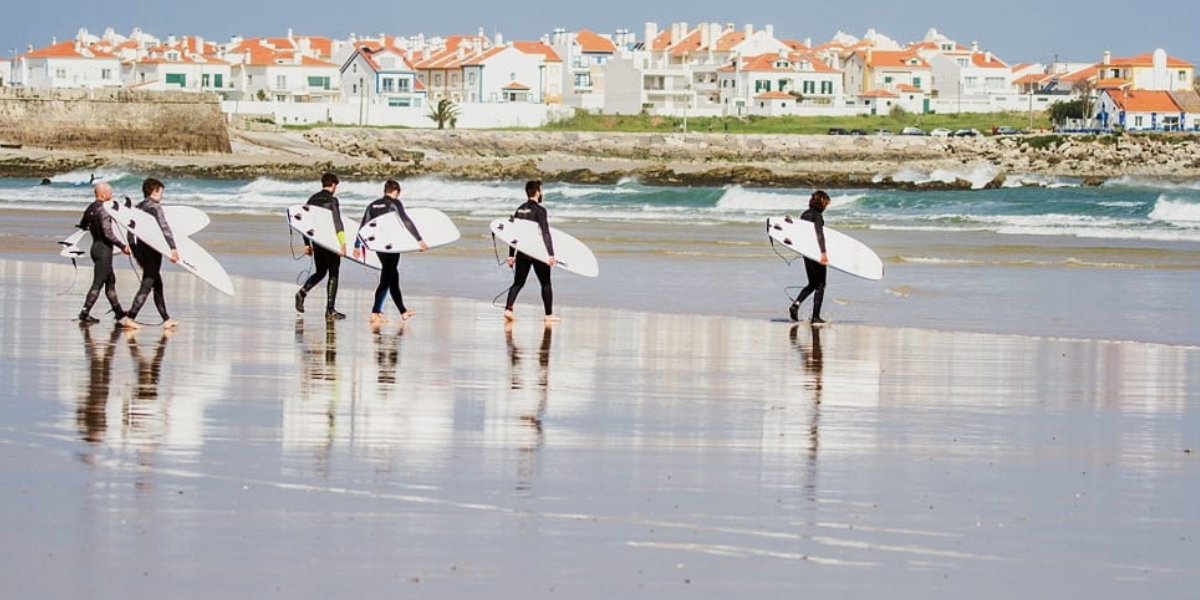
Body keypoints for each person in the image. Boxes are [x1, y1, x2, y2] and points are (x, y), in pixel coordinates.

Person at [354, 179, 427, 326]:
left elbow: (363, 226)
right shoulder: (395, 203)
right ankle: (375, 313)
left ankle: (403, 311)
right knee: (386, 278)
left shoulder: (372, 205)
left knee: (392, 275)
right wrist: (418, 239)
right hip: (392, 246)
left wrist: (357, 245)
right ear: (396, 192)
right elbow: (405, 221)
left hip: (378, 246)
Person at [121, 178, 179, 330]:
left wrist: (135, 250)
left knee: (157, 284)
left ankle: (166, 319)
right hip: (153, 250)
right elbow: (164, 227)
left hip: (141, 248)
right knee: (147, 284)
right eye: (161, 192)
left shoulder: (139, 207)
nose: (162, 196)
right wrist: (172, 248)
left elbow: (130, 229)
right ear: (154, 192)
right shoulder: (155, 207)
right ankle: (130, 318)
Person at [504, 180, 560, 324]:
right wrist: (551, 254)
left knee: (518, 283)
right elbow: (545, 233)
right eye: (541, 190)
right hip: (537, 252)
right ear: (537, 192)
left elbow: (513, 234)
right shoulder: (540, 210)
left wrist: (511, 255)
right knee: (546, 283)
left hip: (523, 252)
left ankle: (508, 310)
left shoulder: (519, 210)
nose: (542, 193)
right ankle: (548, 315)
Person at [295, 173, 347, 321]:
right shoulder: (332, 200)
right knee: (334, 272)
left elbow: (305, 223)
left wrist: (307, 244)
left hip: (317, 241)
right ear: (334, 185)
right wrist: (342, 243)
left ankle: (302, 292)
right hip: (329, 242)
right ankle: (330, 310)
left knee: (321, 271)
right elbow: (337, 222)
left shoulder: (312, 199)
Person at [77, 181, 131, 324]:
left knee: (111, 281)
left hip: (95, 248)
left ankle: (118, 312)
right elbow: (108, 233)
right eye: (110, 193)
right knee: (98, 283)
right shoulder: (104, 209)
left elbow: (83, 225)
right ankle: (84, 312)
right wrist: (122, 245)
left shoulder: (90, 208)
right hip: (104, 251)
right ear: (102, 194)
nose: (112, 195)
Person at [789, 190, 831, 324]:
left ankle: (796, 304)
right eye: (826, 204)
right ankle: (815, 317)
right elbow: (819, 234)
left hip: (806, 252)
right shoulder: (817, 216)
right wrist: (823, 253)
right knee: (821, 284)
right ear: (821, 203)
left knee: (813, 283)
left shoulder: (804, 214)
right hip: (816, 252)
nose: (825, 207)